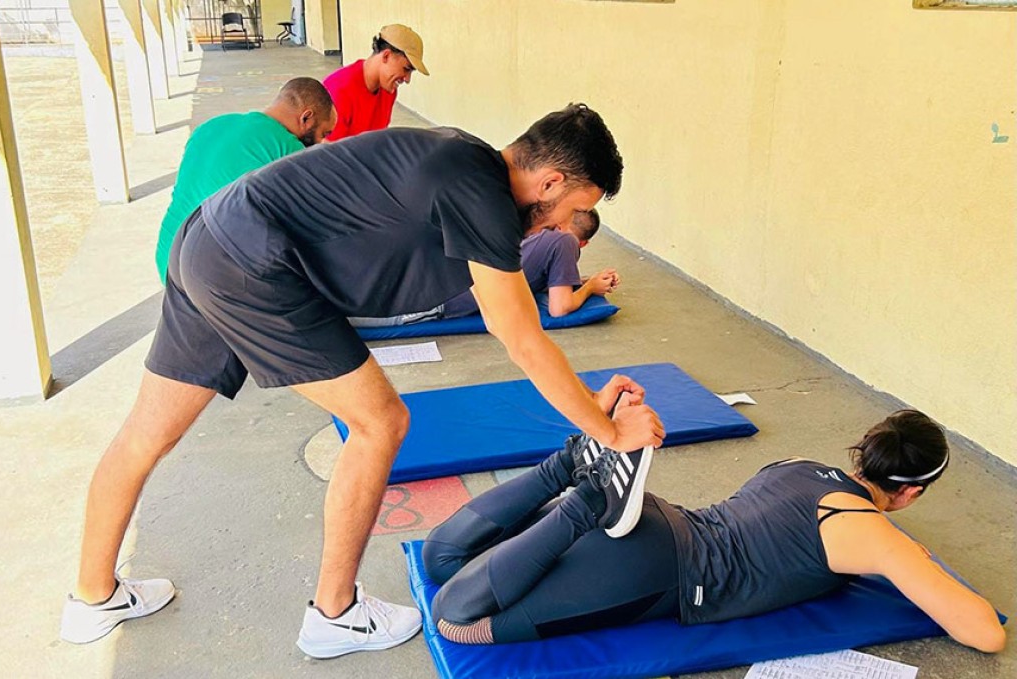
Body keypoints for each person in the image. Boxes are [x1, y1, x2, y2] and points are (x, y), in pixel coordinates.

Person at [59, 104, 665, 660]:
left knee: (147, 433)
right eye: (568, 211)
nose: (558, 227)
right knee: (381, 422)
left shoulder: (463, 159)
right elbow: (522, 338)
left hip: (208, 241)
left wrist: (588, 404)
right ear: (550, 183)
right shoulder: (479, 191)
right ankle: (336, 614)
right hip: (253, 263)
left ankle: (92, 597)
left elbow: (503, 312)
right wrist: (609, 432)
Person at [423, 409, 1006, 653]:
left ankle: (569, 466)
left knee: (441, 561)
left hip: (659, 519)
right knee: (455, 617)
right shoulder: (873, 536)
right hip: (652, 575)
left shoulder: (796, 465)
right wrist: (910, 559)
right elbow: (985, 634)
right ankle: (588, 497)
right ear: (912, 492)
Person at [153, 77, 336, 283]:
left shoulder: (212, 125)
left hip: (167, 260)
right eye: (323, 133)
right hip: (208, 279)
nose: (321, 142)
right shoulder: (289, 150)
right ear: (306, 118)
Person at [349, 208, 619, 328]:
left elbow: (533, 272)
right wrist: (589, 288)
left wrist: (584, 281)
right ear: (583, 243)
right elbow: (559, 308)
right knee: (343, 317)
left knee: (347, 296)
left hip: (429, 272)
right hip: (436, 298)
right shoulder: (565, 241)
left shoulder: (537, 231)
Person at [323, 24, 428, 142]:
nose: (407, 79)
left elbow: (377, 141)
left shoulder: (388, 90)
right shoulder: (339, 89)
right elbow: (328, 150)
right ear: (386, 56)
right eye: (406, 69)